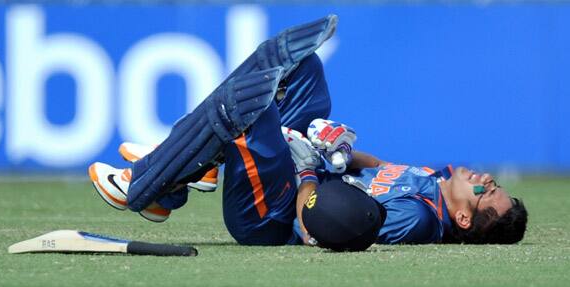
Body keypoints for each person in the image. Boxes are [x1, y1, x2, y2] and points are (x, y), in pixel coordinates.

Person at [88, 15, 527, 251]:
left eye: (487, 194)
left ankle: (144, 187)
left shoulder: (416, 219)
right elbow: (376, 169)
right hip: (305, 174)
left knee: (243, 105)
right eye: (495, 185)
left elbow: (321, 227)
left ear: (464, 219)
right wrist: (338, 149)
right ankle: (186, 172)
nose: (487, 181)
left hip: (273, 215)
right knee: (302, 67)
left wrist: (307, 170)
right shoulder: (434, 180)